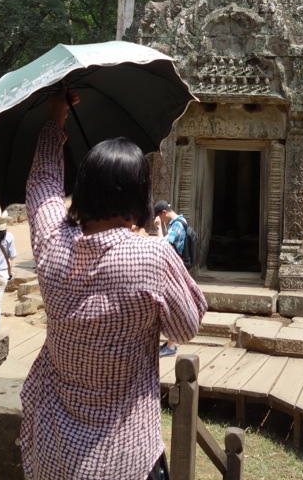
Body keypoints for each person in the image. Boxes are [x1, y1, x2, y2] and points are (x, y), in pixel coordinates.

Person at [20, 93, 207, 480]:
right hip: (125, 456)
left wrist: (56, 118)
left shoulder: (53, 243)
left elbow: (43, 185)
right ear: (139, 195)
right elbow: (185, 327)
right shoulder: (151, 256)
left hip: (54, 452)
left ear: (84, 190)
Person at [153, 200, 187, 357]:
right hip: (176, 270)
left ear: (164, 213)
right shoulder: (178, 222)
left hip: (175, 271)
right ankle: (170, 343)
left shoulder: (178, 225)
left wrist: (158, 227)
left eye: (160, 217)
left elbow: (163, 246)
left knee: (173, 307)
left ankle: (171, 345)